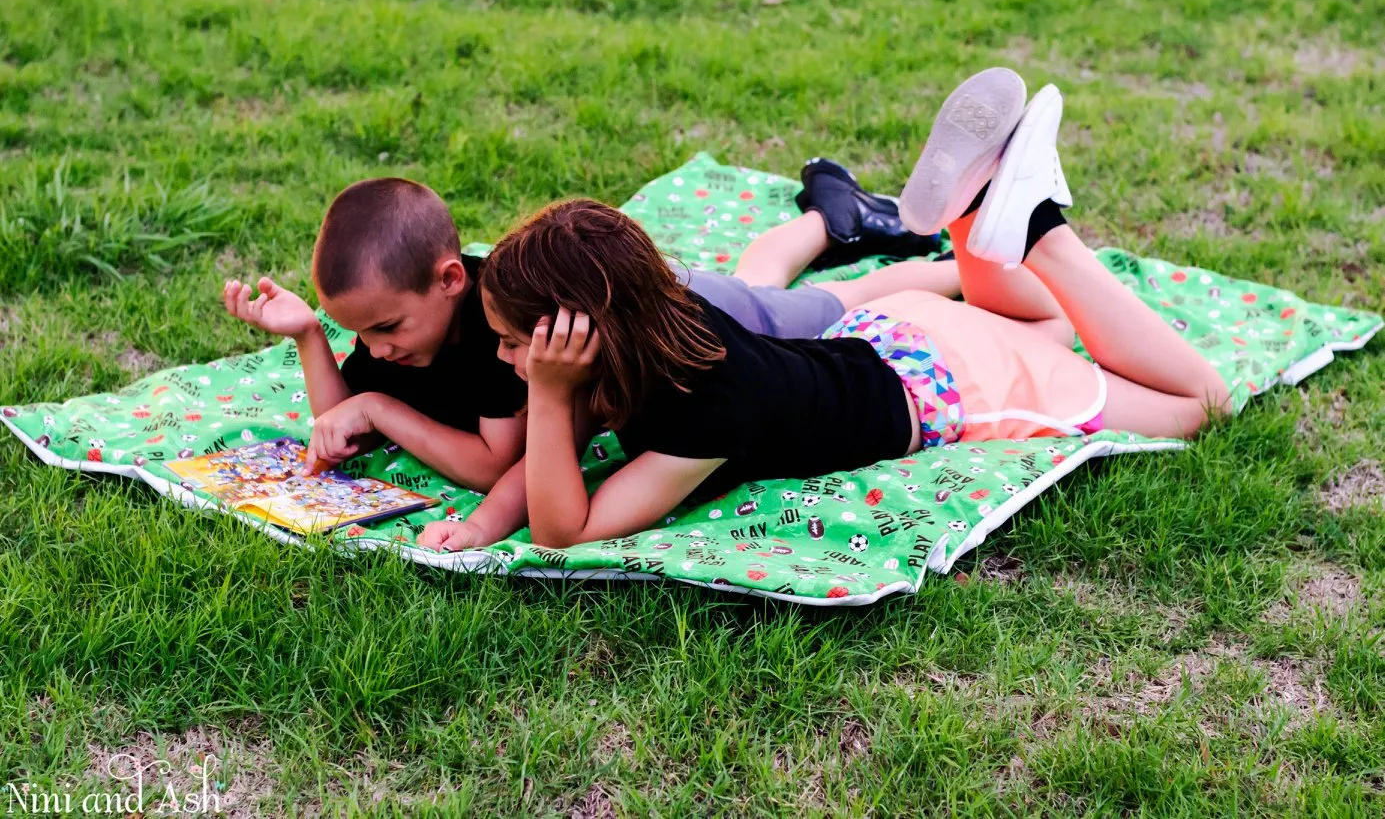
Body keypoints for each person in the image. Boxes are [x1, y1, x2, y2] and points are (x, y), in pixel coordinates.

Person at [478, 69, 1233, 549]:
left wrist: (546, 395)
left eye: (513, 342)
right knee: (1046, 325)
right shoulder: (660, 324)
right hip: (892, 333)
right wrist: (486, 516)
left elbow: (562, 529)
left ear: (583, 333)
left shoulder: (706, 409)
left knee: (1200, 402)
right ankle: (970, 218)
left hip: (947, 382)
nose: (508, 360)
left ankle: (1040, 232)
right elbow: (540, 466)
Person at [219, 172, 965, 551]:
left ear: (451, 283)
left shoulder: (513, 337)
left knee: (832, 307)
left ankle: (956, 258)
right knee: (765, 283)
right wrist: (312, 341)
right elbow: (342, 422)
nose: (374, 352)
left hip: (685, 310)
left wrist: (531, 404)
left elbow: (526, 490)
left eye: (380, 330)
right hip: (644, 315)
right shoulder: (436, 324)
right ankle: (829, 215)